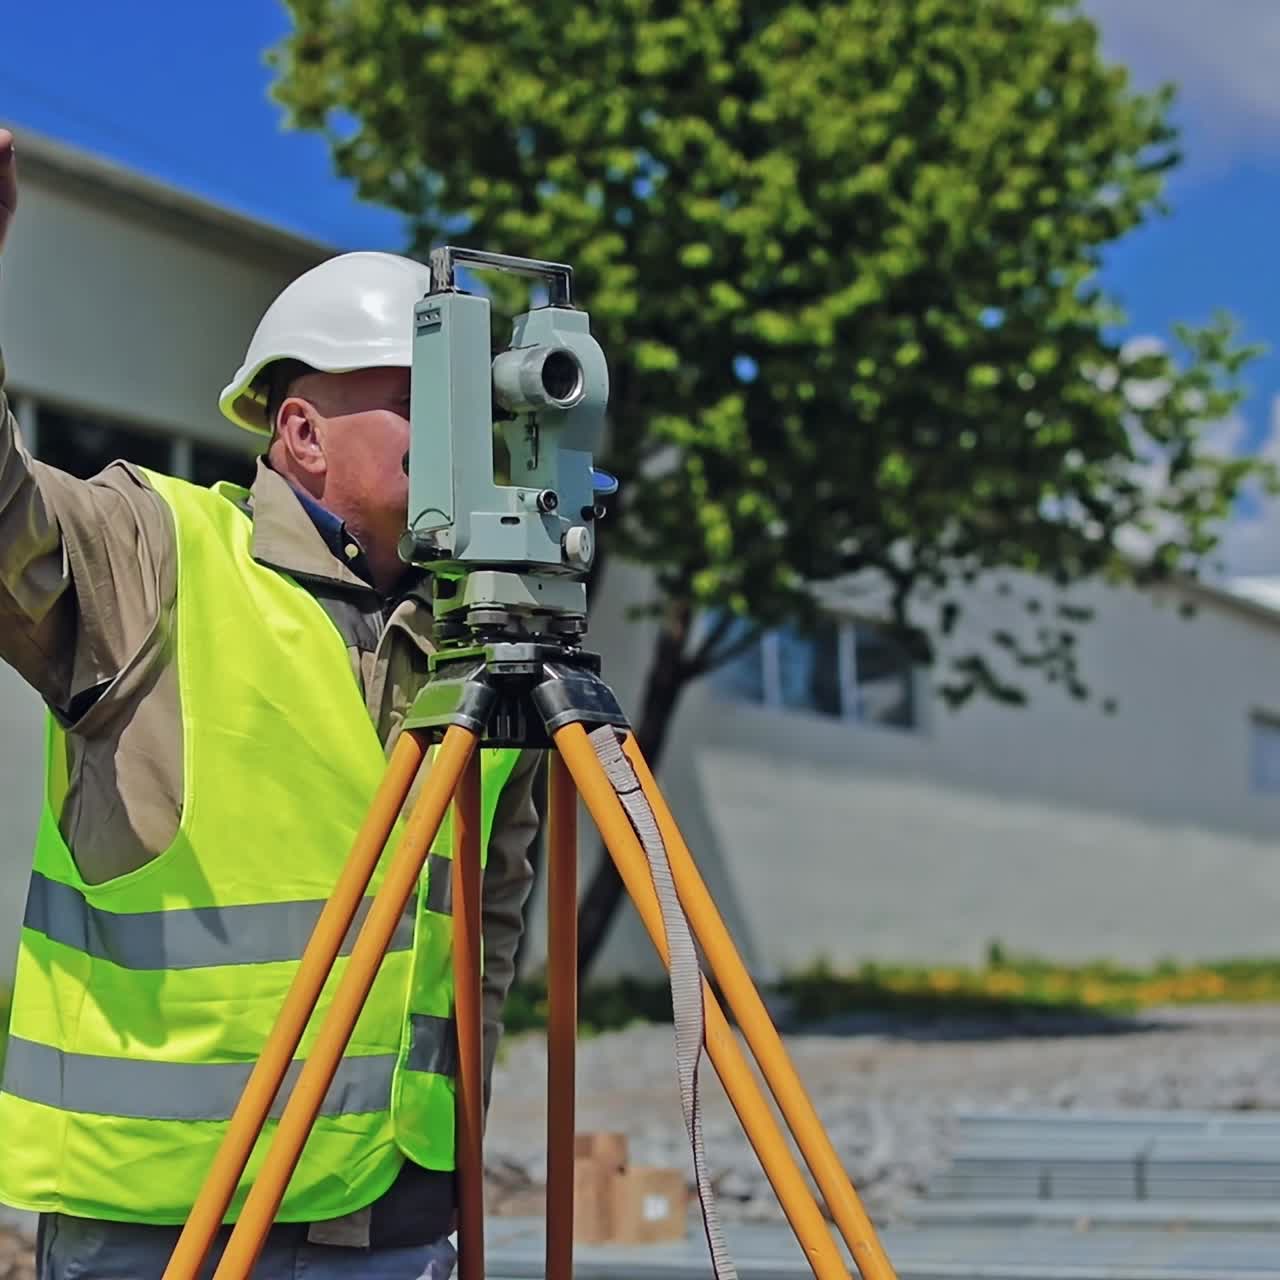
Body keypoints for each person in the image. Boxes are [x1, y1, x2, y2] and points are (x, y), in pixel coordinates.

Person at [0, 128, 540, 1278]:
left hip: (394, 1223)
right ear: (299, 433)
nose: (463, 432)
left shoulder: (486, 642)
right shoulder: (157, 553)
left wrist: (443, 1154)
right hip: (164, 1225)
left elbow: (486, 918)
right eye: (418, 395)